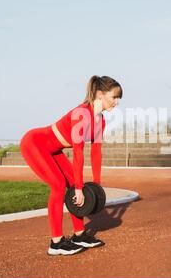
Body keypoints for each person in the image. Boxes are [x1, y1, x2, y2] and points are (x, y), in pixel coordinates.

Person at [20, 76, 123, 256]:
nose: (117, 102)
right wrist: (79, 188)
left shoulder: (101, 120)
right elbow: (78, 152)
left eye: (118, 98)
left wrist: (96, 185)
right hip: (34, 143)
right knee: (60, 185)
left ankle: (79, 235)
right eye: (114, 97)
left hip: (54, 149)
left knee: (74, 185)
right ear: (100, 94)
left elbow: (95, 152)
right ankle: (56, 242)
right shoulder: (80, 114)